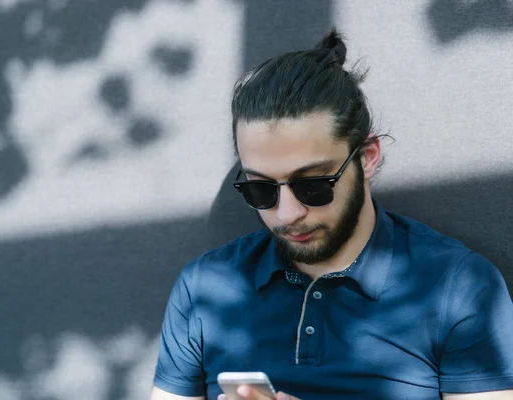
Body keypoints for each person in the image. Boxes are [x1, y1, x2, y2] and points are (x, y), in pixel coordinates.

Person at [149, 29, 513, 400]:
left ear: (367, 158)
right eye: (262, 189)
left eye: (313, 185)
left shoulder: (457, 286)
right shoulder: (204, 288)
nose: (286, 215)